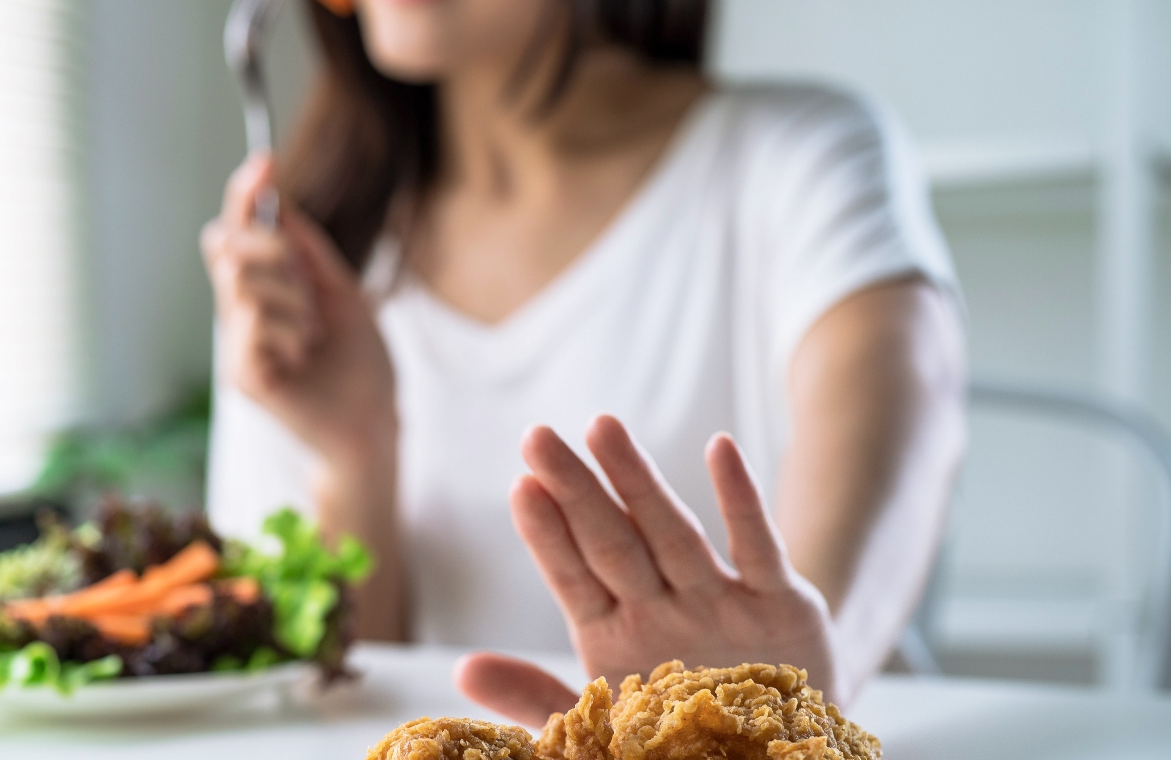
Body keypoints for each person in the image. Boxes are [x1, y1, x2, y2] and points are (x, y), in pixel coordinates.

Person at [201, 0, 964, 723]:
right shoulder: (308, 262)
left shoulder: (801, 154)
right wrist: (352, 456)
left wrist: (793, 696)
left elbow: (908, 412)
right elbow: (341, 709)